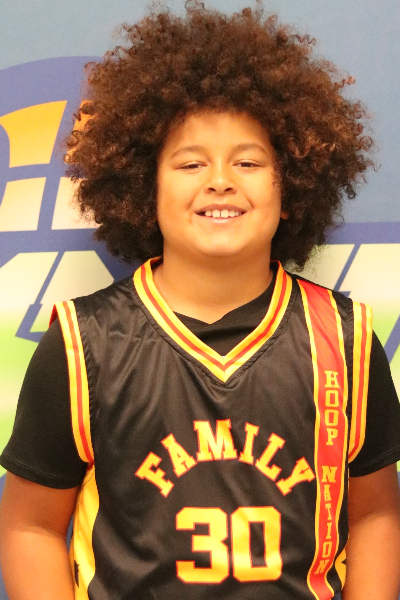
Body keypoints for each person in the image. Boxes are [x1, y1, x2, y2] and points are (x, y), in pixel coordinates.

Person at [1, 1, 400, 599]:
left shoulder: (345, 341)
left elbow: (374, 515)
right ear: (145, 185)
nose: (219, 180)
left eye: (248, 161)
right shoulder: (84, 345)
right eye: (190, 162)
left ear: (291, 184)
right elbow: (30, 525)